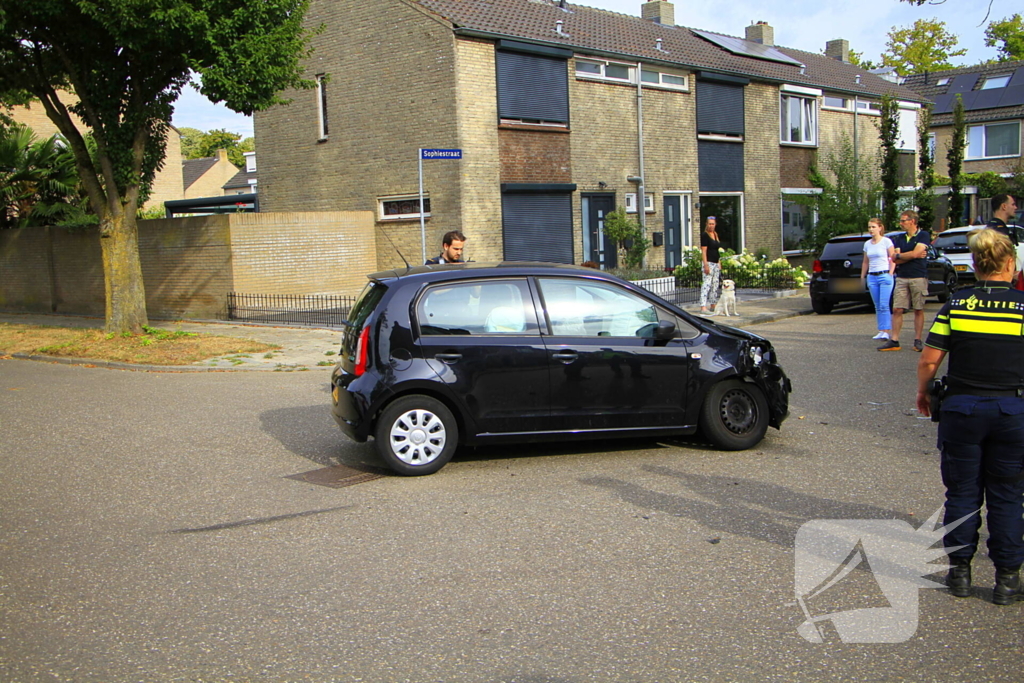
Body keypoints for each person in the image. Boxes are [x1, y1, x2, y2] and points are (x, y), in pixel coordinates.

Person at [916, 228, 1024, 605]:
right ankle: (1007, 580)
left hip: (962, 410)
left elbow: (930, 359)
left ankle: (959, 573)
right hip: (1013, 411)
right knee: (1008, 496)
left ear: (976, 266)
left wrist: (924, 392)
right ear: (1010, 263)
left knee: (961, 493)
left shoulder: (958, 305)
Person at [880, 210, 931, 352]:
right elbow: (895, 258)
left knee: (918, 309)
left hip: (918, 276)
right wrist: (909, 255)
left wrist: (902, 255)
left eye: (903, 221)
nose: (901, 224)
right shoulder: (900, 238)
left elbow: (915, 253)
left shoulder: (923, 235)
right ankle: (894, 340)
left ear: (912, 221)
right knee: (897, 309)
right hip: (902, 277)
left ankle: (918, 340)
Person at [859, 217, 896, 341]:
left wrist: (890, 272)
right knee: (877, 305)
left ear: (880, 228)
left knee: (884, 304)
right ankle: (881, 330)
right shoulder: (867, 244)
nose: (871, 229)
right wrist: (862, 276)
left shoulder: (886, 241)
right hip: (872, 276)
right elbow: (865, 262)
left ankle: (886, 330)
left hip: (884, 275)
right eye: (869, 227)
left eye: (873, 227)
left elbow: (893, 258)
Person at [699, 216, 722, 314]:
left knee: (715, 285)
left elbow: (717, 250)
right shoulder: (705, 235)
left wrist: (719, 263)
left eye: (713, 224)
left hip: (716, 262)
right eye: (710, 224)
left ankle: (713, 304)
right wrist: (705, 265)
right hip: (708, 262)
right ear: (706, 224)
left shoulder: (715, 234)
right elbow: (704, 251)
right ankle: (703, 307)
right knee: (706, 285)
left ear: (715, 224)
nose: (711, 226)